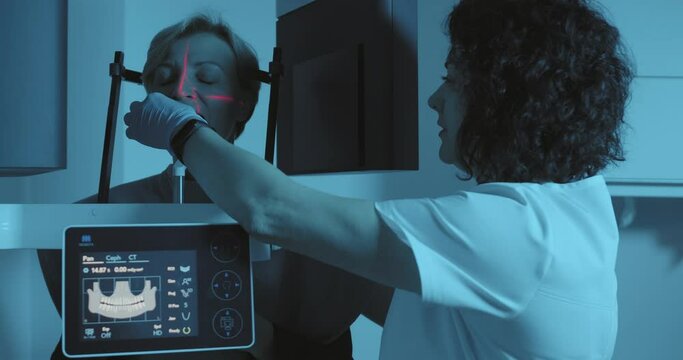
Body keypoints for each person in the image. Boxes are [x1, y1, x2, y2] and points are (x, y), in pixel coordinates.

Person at [125, 0, 634, 358]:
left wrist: (179, 128)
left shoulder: (513, 234)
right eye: (165, 80)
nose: (435, 100)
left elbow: (267, 207)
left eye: (453, 80)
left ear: (504, 101)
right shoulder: (568, 212)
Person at [37, 14, 373, 360]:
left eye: (208, 77)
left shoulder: (309, 224)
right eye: (164, 79)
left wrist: (264, 338)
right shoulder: (90, 216)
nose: (180, 91)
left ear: (243, 104)